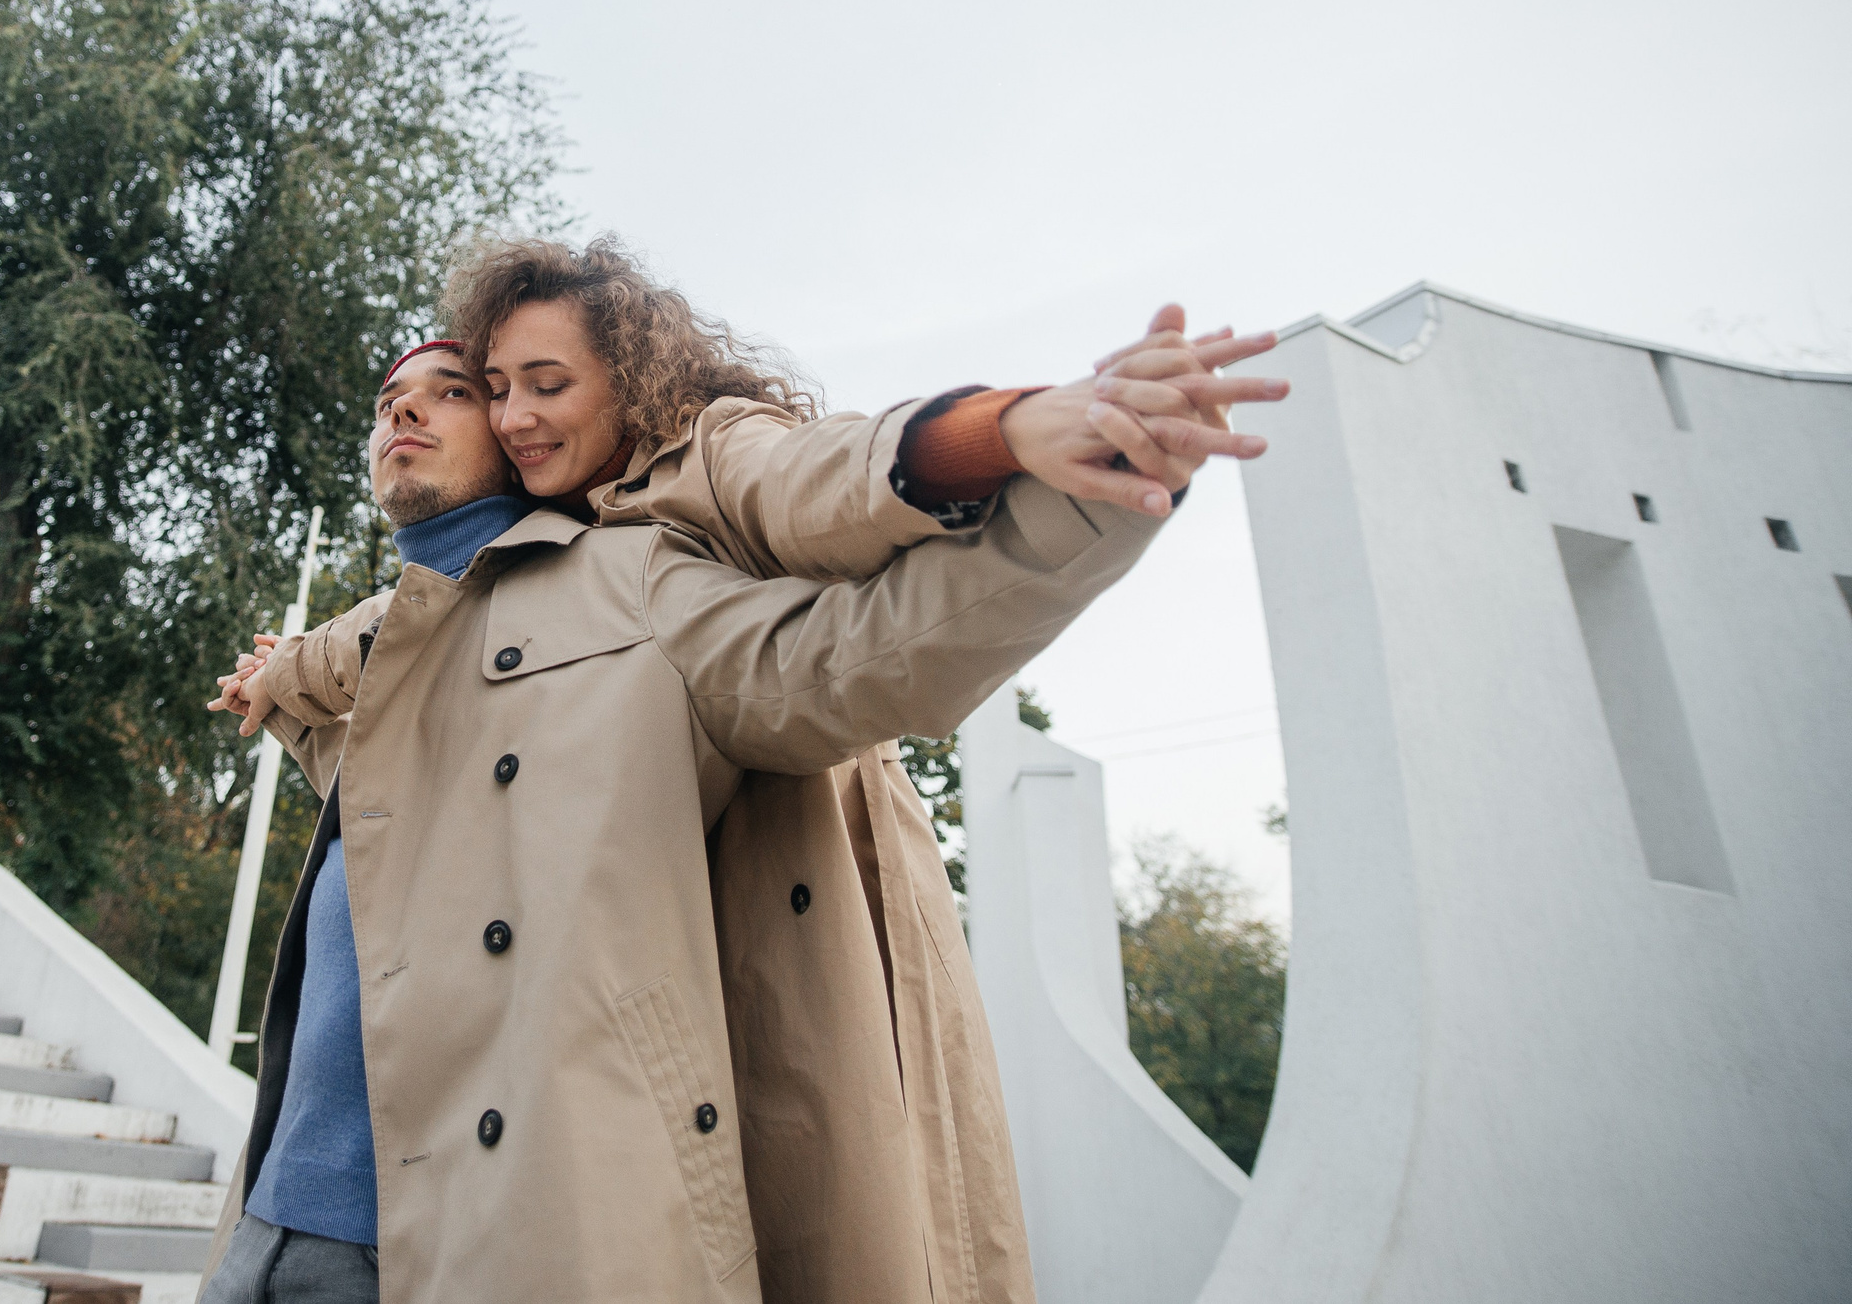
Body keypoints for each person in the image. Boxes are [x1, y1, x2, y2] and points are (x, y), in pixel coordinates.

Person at [215, 238, 1280, 1302]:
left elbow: (847, 590)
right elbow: (366, 694)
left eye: (484, 389)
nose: (486, 412)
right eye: (478, 389)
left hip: (449, 1235)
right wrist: (274, 683)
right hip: (267, 1217)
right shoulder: (404, 640)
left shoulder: (659, 540)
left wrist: (1026, 445)